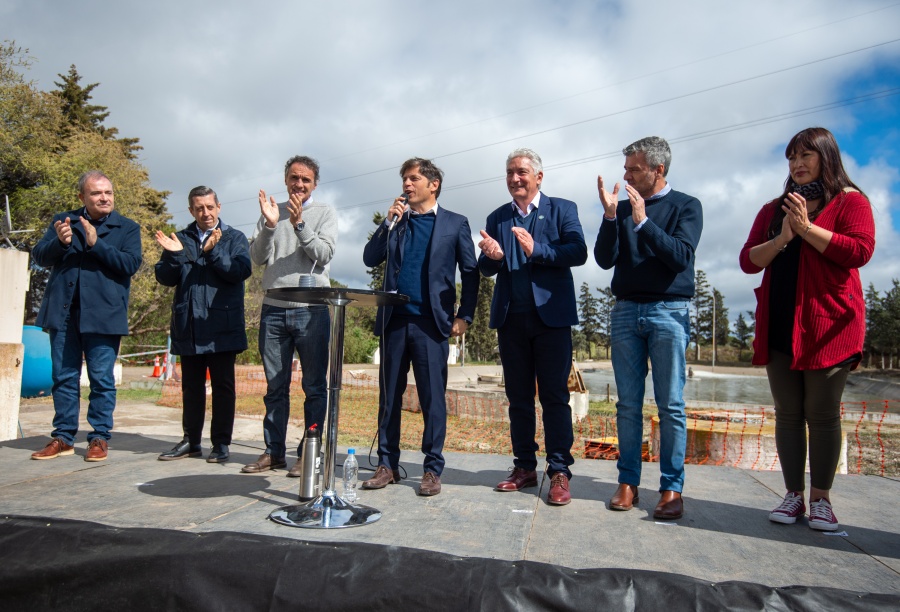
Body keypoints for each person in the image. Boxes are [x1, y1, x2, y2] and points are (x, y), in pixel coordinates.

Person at [739, 127, 875, 531]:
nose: (797, 164)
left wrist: (808, 229)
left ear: (826, 157)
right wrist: (783, 236)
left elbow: (860, 251)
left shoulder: (851, 201)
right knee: (787, 413)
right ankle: (793, 495)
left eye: (805, 156)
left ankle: (821, 501)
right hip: (780, 323)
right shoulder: (774, 209)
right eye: (792, 157)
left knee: (822, 413)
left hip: (830, 326)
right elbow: (748, 261)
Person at [594, 136, 703, 520]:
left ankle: (671, 489)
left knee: (670, 404)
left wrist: (643, 222)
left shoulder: (687, 205)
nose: (625, 177)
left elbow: (680, 257)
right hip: (625, 312)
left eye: (634, 170)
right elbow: (604, 259)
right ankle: (628, 482)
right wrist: (612, 217)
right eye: (625, 169)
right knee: (628, 404)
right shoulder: (622, 208)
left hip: (669, 312)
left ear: (658, 170)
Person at [361, 158, 479, 497]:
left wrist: (464, 316)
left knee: (432, 400)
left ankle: (432, 468)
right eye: (404, 179)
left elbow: (470, 273)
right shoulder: (397, 223)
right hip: (394, 322)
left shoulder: (455, 223)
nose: (407, 184)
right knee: (389, 398)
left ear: (433, 184)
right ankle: (387, 465)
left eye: (413, 178)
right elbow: (370, 258)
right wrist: (387, 222)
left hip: (432, 324)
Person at [477, 148, 587, 506]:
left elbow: (578, 252)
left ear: (539, 177)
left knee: (554, 396)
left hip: (551, 318)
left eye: (521, 172)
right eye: (510, 172)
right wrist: (492, 257)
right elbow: (486, 267)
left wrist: (537, 249)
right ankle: (524, 467)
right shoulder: (497, 217)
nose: (514, 178)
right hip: (511, 320)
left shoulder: (562, 209)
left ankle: (559, 471)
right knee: (518, 398)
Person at [30, 171, 142, 462]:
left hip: (104, 316)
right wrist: (60, 242)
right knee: (63, 377)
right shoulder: (63, 221)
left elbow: (130, 264)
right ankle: (64, 437)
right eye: (96, 193)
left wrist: (96, 243)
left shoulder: (127, 228)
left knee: (101, 379)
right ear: (82, 197)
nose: (104, 198)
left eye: (108, 192)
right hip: (64, 313)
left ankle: (99, 437)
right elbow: (39, 256)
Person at [242, 156, 337, 475]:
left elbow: (324, 254)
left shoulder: (325, 212)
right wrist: (271, 225)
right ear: (285, 180)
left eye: (306, 179)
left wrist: (299, 224)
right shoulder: (271, 211)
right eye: (294, 178)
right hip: (274, 309)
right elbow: (257, 258)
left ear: (315, 184)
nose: (299, 184)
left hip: (311, 311)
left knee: (314, 386)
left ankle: (309, 453)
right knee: (275, 387)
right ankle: (273, 452)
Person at [154, 186, 252, 463]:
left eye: (210, 207)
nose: (205, 213)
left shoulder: (234, 238)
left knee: (223, 388)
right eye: (199, 208)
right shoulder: (181, 239)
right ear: (191, 210)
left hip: (222, 326)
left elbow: (240, 271)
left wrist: (212, 252)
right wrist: (174, 255)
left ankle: (220, 444)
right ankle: (191, 441)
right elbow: (165, 278)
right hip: (189, 326)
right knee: (191, 388)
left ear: (218, 207)